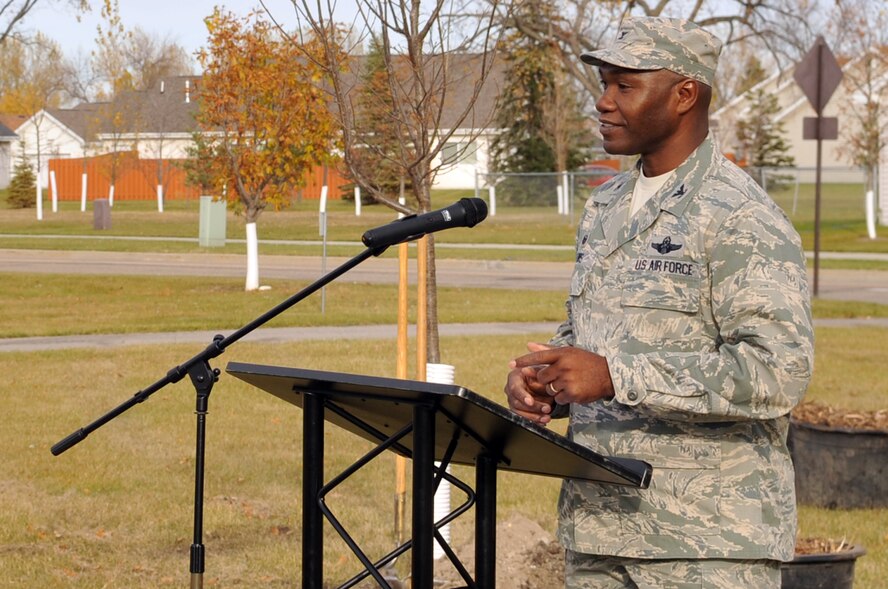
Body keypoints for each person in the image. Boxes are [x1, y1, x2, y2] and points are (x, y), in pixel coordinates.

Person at [503, 16, 814, 589]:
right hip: (600, 530)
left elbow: (778, 371)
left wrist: (616, 376)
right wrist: (550, 376)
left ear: (684, 95)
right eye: (604, 84)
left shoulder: (740, 216)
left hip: (705, 544)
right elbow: (594, 334)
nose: (603, 102)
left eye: (625, 86)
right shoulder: (605, 207)